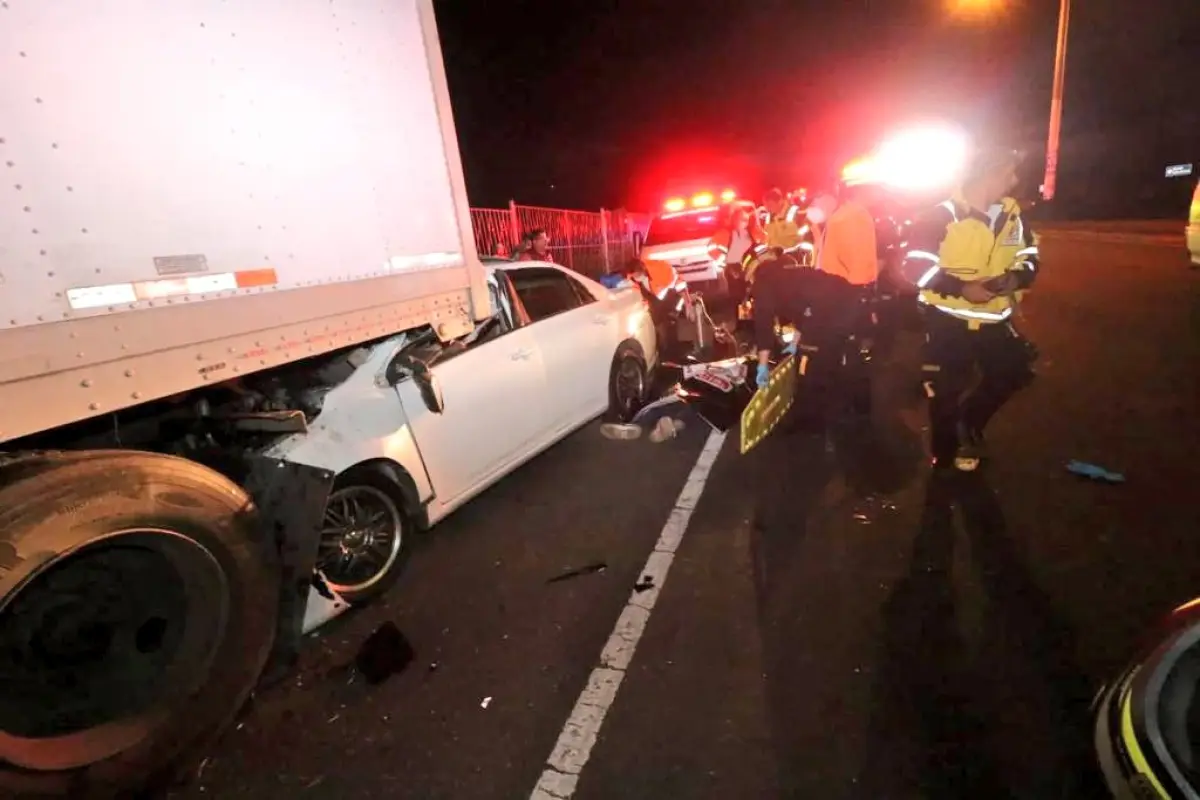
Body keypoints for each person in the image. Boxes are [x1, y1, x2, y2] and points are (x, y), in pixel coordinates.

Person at [900, 147, 1040, 472]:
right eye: (1009, 172)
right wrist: (961, 288)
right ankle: (944, 458)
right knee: (945, 390)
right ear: (988, 173)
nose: (1014, 180)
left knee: (1015, 372)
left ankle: (970, 421)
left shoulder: (1013, 215)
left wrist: (1017, 276)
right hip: (948, 321)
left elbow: (1030, 254)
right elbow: (914, 266)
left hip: (994, 319)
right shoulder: (942, 216)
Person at [707, 203, 764, 301]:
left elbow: (765, 243)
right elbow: (712, 248)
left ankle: (757, 314)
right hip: (734, 270)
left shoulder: (753, 232)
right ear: (734, 220)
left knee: (757, 295)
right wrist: (725, 263)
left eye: (745, 220)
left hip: (753, 268)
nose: (744, 222)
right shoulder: (725, 233)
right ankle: (744, 315)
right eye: (741, 219)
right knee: (739, 298)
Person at [762, 188, 815, 261]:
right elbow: (767, 238)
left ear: (780, 201)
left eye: (770, 205)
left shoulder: (796, 212)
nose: (767, 208)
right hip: (775, 260)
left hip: (794, 259)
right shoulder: (769, 217)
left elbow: (808, 231)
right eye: (766, 205)